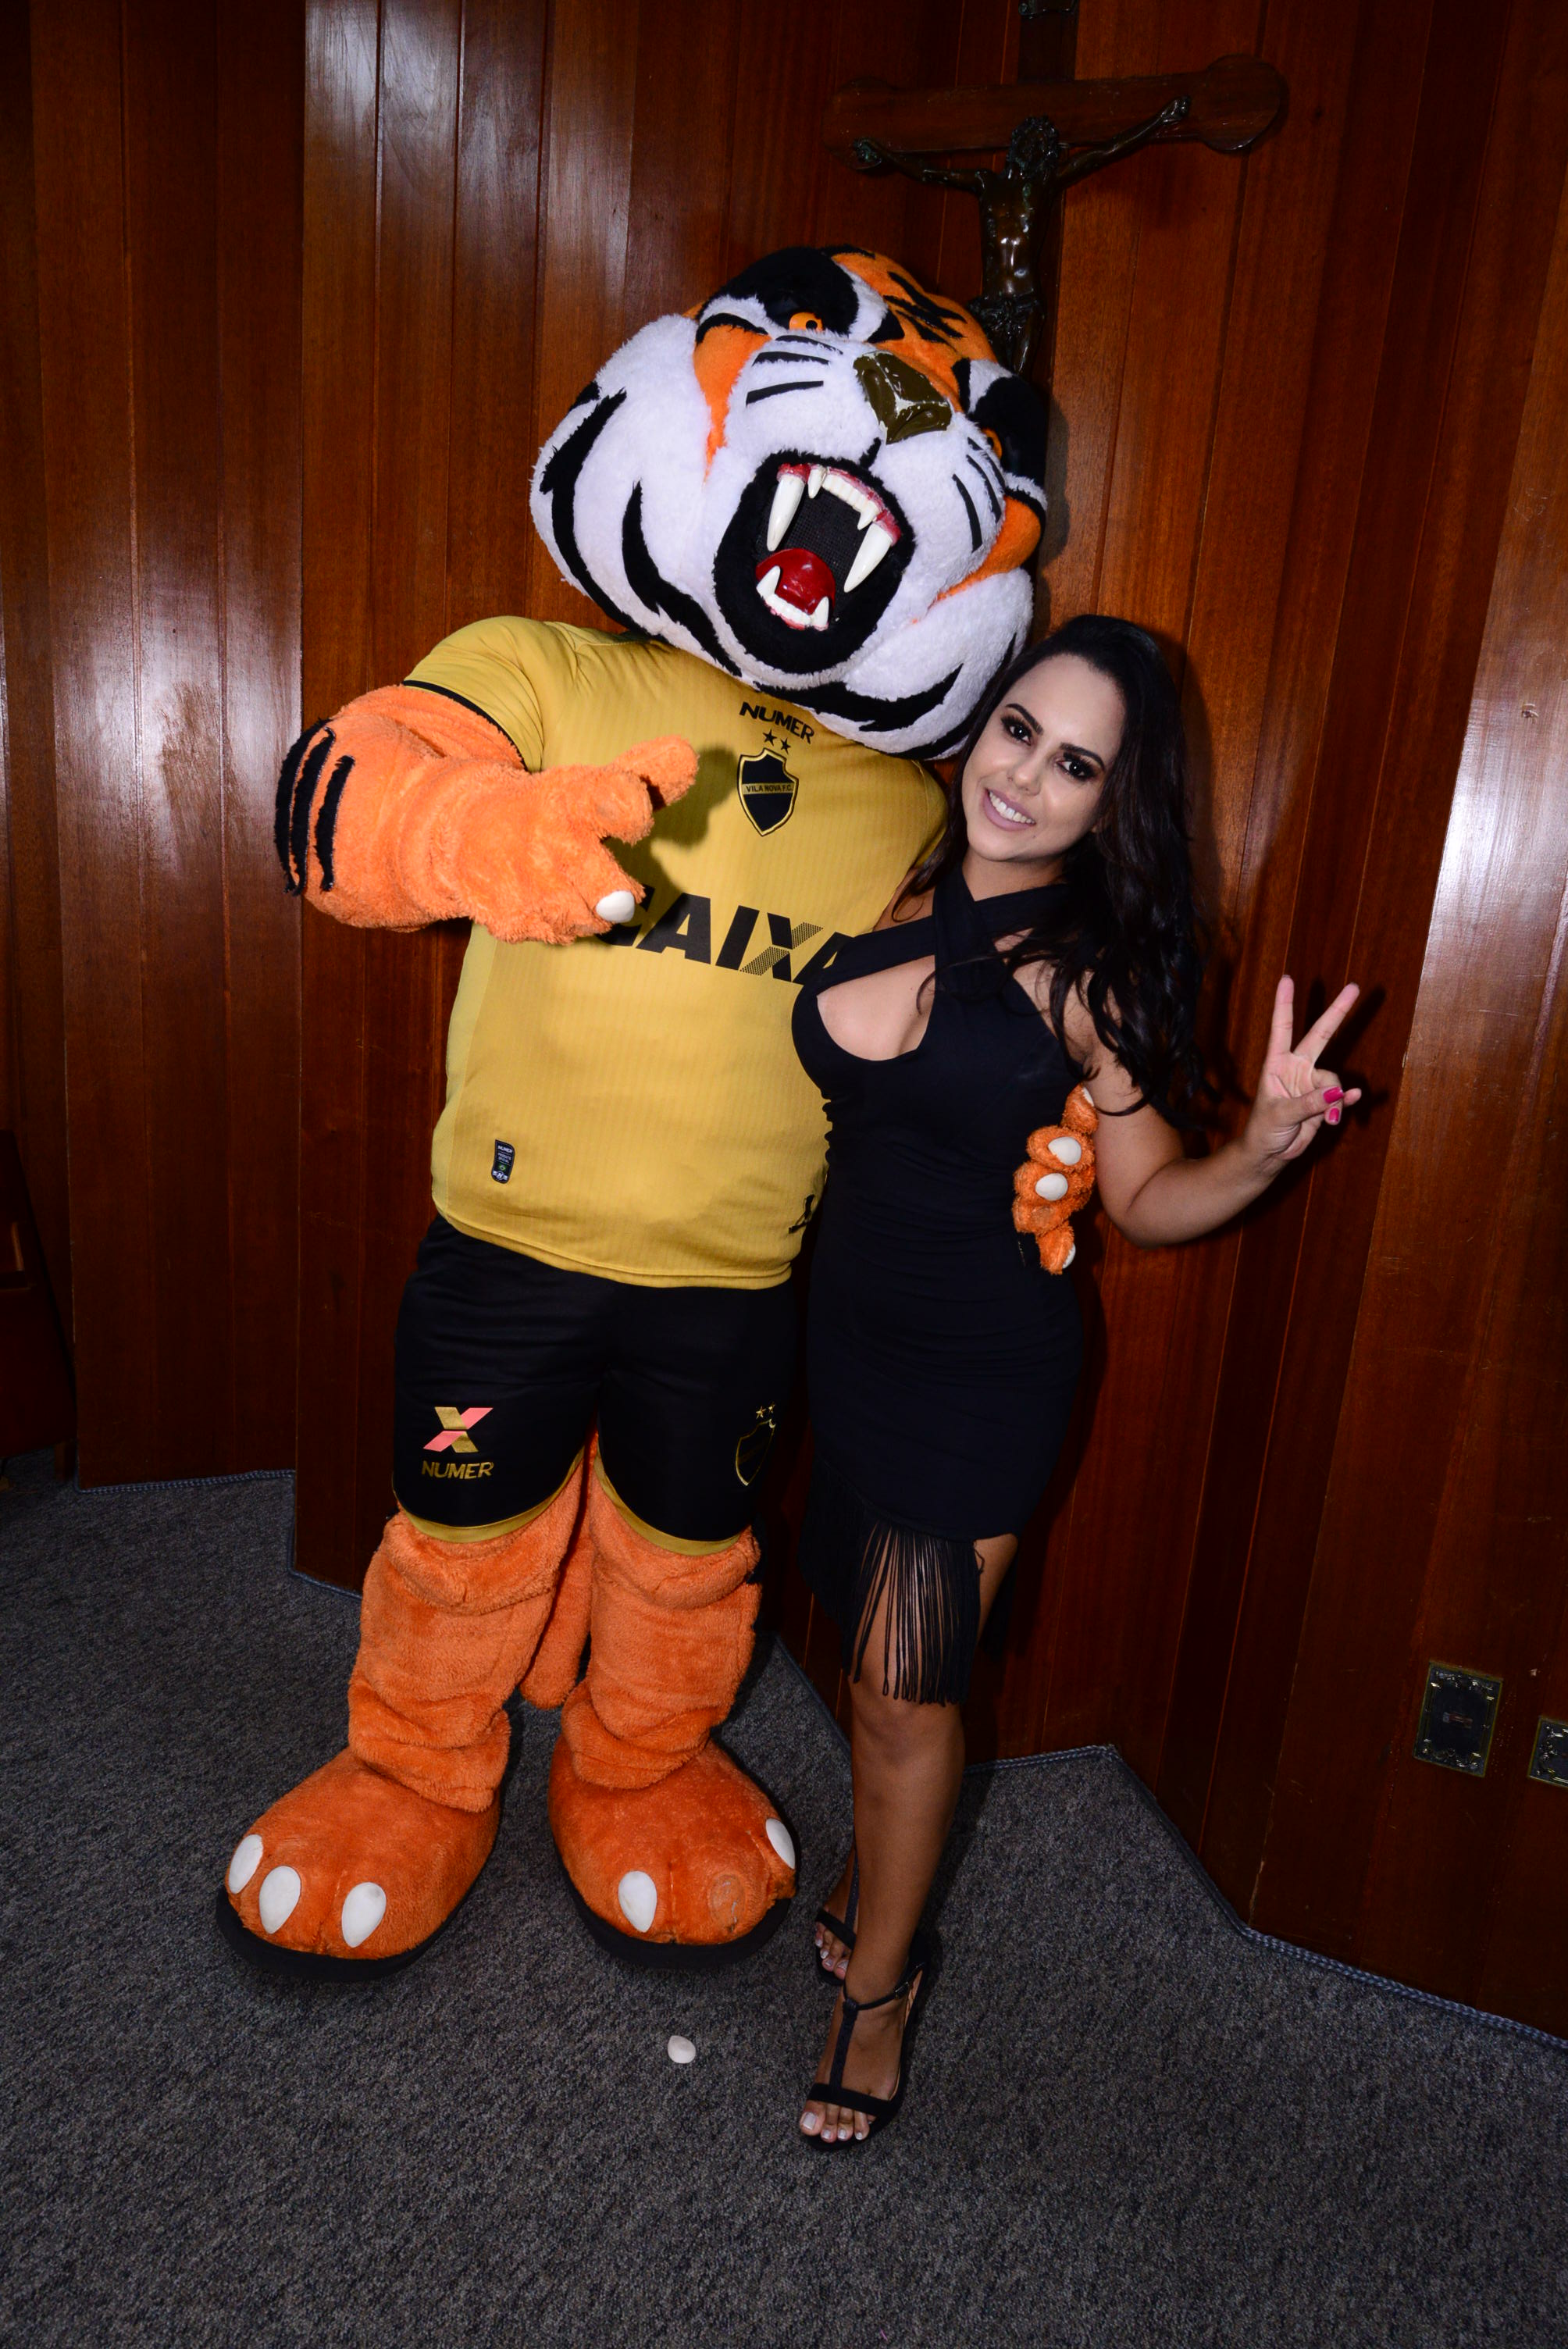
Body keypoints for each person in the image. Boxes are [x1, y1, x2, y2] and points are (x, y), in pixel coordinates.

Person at [788, 614, 1363, 2146]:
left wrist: (1260, 1149)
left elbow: (1146, 1198)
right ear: (979, 725)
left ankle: (880, 1993)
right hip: (842, 1338)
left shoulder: (1087, 979)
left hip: (979, 1369)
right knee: (858, 1649)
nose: (1026, 778)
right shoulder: (896, 878)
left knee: (906, 1688)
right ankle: (875, 1869)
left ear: (1112, 807)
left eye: (1077, 766)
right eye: (1019, 732)